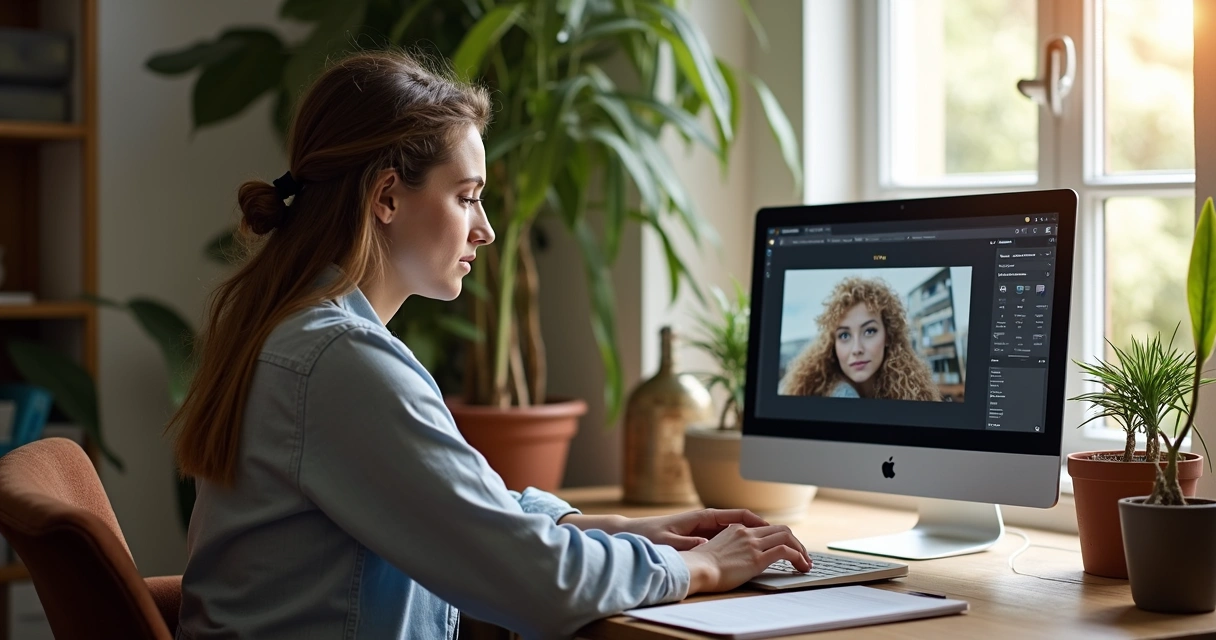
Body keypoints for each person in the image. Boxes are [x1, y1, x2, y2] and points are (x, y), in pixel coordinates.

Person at [169, 51, 812, 640]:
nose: (486, 229)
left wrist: (620, 529)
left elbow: (461, 510)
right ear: (387, 196)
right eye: (466, 197)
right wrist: (697, 568)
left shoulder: (295, 332)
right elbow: (538, 584)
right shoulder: (338, 361)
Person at [780, 277, 941, 401]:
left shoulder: (910, 392)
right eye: (844, 335)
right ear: (832, 345)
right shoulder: (835, 394)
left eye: (869, 331)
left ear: (888, 336)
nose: (857, 349)